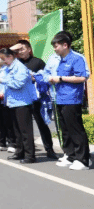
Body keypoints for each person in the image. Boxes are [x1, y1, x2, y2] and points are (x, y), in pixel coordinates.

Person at [48, 32, 90, 170]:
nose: (55, 49)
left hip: (72, 99)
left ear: (65, 45)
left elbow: (82, 77)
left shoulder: (76, 58)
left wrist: (60, 78)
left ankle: (83, 160)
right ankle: (71, 156)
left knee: (75, 129)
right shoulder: (61, 60)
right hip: (60, 98)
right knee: (65, 129)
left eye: (56, 46)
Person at [13, 39, 57, 160]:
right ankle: (21, 151)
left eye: (22, 49)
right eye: (18, 50)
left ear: (29, 49)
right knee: (22, 127)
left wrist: (35, 78)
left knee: (42, 124)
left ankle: (49, 149)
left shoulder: (38, 62)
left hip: (36, 99)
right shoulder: (16, 63)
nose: (20, 52)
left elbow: (46, 77)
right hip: (21, 99)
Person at [0, 48, 37, 164]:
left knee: (25, 131)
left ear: (10, 57)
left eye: (3, 58)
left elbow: (18, 84)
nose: (2, 61)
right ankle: (20, 152)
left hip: (22, 103)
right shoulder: (9, 68)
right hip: (13, 102)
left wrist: (3, 81)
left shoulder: (20, 67)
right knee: (17, 130)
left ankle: (30, 155)